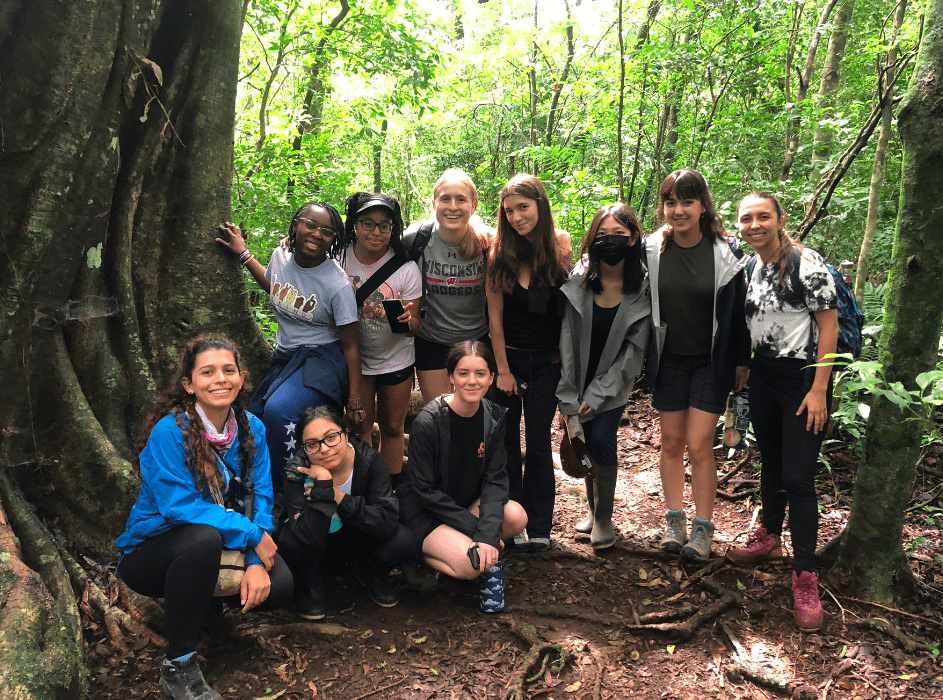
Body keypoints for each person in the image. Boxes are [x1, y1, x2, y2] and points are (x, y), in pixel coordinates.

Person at [115, 335, 293, 700]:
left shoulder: (252, 428)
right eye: (207, 372)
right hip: (154, 551)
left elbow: (262, 496)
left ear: (242, 377)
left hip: (220, 542)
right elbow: (179, 507)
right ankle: (177, 664)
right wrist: (251, 535)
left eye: (229, 370)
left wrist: (258, 559)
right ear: (189, 384)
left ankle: (208, 610)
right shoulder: (171, 432)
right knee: (202, 540)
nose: (220, 379)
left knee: (281, 585)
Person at [727, 192, 838, 633]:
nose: (754, 225)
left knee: (798, 477)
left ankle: (805, 575)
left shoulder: (806, 264)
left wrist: (819, 389)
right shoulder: (753, 264)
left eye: (762, 217)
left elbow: (827, 326)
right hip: (764, 376)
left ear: (780, 220)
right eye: (746, 219)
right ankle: (769, 537)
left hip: (803, 379)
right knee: (770, 463)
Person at [645, 168, 750, 562]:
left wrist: (742, 361)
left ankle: (703, 528)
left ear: (703, 205)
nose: (679, 210)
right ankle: (675, 522)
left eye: (687, 201)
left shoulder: (727, 253)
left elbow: (737, 312)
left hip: (711, 361)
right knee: (671, 442)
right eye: (671, 202)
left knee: (699, 443)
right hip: (668, 358)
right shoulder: (652, 249)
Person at [217, 203, 362, 483]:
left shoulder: (337, 284)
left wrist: (354, 400)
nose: (317, 234)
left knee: (278, 411)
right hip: (288, 358)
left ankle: (289, 488)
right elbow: (274, 287)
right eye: (310, 225)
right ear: (296, 224)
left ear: (335, 240)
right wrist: (244, 255)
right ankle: (259, 484)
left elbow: (352, 346)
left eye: (327, 232)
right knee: (253, 414)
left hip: (323, 360)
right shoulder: (280, 256)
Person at [398, 341, 528, 611]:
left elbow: (495, 479)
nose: (472, 381)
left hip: (464, 503)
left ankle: (467, 545)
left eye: (480, 374)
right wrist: (481, 532)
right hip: (426, 512)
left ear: (491, 378)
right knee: (473, 564)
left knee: (517, 516)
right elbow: (424, 491)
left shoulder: (493, 418)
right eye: (463, 373)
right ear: (451, 378)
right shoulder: (428, 422)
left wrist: (486, 534)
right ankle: (416, 557)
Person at [557, 204, 651, 549]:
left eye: (619, 236)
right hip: (576, 381)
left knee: (601, 441)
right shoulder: (578, 282)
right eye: (602, 236)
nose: (609, 242)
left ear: (634, 238)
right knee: (580, 440)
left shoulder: (643, 288)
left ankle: (604, 520)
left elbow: (633, 354)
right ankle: (593, 511)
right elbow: (566, 340)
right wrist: (569, 393)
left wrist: (597, 394)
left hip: (614, 386)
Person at [487, 174, 572, 552]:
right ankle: (513, 520)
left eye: (523, 208)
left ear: (540, 204)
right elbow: (494, 320)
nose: (517, 217)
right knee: (505, 442)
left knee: (538, 442)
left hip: (548, 362)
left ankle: (540, 525)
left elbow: (573, 312)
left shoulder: (561, 248)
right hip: (509, 361)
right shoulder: (499, 254)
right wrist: (502, 370)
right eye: (509, 211)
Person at [277, 404, 415, 620]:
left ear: (346, 433)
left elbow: (386, 520)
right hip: (319, 549)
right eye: (312, 444)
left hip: (359, 542)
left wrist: (338, 496)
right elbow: (304, 535)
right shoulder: (297, 471)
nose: (324, 448)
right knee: (289, 541)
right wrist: (322, 485)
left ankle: (372, 573)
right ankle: (308, 585)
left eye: (331, 437)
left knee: (402, 540)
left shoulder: (369, 461)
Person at [339, 192, 422, 485]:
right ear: (355, 225)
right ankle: (363, 487)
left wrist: (408, 320)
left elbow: (416, 326)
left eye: (384, 226)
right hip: (355, 360)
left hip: (395, 358)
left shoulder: (406, 268)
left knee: (392, 426)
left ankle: (391, 490)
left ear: (393, 229)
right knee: (359, 425)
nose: (376, 232)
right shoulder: (338, 257)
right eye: (368, 224)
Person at [403, 169, 493, 403]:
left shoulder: (490, 242)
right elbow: (376, 250)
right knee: (441, 418)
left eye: (461, 199)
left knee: (472, 418)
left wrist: (563, 242)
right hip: (431, 341)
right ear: (434, 203)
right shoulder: (416, 239)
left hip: (476, 341)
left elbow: (529, 247)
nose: (452, 206)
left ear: (473, 205)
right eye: (445, 199)